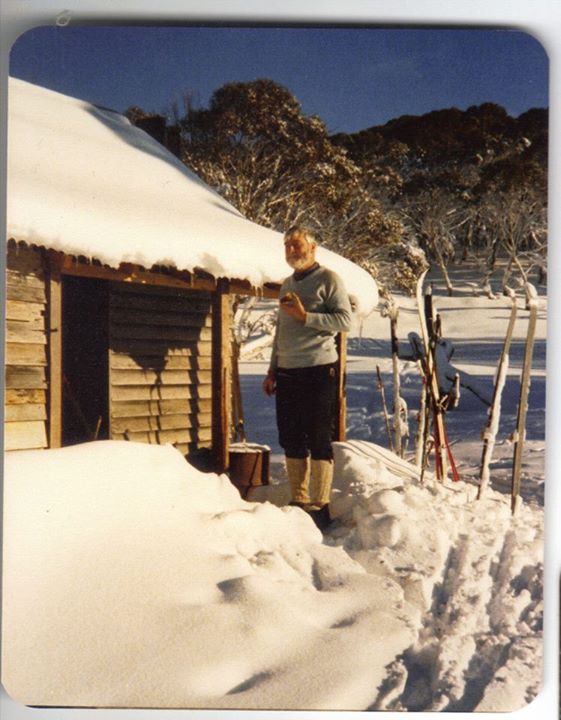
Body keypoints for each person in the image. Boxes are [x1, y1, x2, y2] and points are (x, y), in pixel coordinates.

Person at [263, 225, 353, 530]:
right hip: (288, 370)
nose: (291, 250)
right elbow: (281, 332)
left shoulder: (329, 279)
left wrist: (306, 317)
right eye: (287, 246)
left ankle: (320, 505)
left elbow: (344, 320)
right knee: (290, 436)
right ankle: (299, 500)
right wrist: (272, 369)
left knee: (317, 436)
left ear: (313, 248)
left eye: (296, 245)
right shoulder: (287, 283)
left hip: (318, 368)